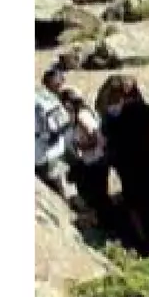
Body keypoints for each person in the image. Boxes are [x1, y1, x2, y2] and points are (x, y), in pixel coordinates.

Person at [97, 73, 149, 252]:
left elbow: (106, 144)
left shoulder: (110, 118)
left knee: (134, 204)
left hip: (127, 167)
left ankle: (145, 243)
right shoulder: (145, 110)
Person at [59, 86, 114, 224]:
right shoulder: (79, 114)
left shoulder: (82, 116)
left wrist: (81, 146)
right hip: (93, 159)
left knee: (99, 194)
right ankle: (103, 219)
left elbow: (95, 138)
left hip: (96, 160)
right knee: (98, 194)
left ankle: (107, 221)